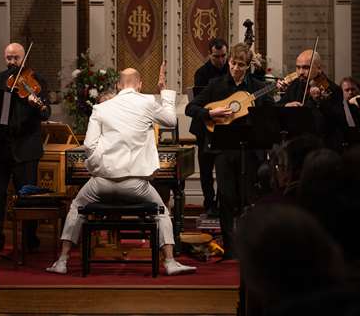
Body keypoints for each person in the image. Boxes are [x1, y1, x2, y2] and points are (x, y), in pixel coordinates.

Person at [46, 67, 196, 276]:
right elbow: (171, 121)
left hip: (101, 184)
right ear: (140, 84)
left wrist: (102, 168)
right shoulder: (147, 102)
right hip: (136, 185)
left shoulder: (101, 108)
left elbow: (89, 145)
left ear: (117, 85)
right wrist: (163, 91)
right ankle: (170, 262)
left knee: (77, 206)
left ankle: (62, 261)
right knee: (162, 211)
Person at [186, 43, 274, 258]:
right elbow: (191, 108)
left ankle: (250, 246)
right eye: (233, 63)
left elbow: (270, 113)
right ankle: (230, 249)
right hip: (223, 150)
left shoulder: (257, 86)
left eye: (241, 65)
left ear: (247, 66)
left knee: (248, 198)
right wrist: (210, 113)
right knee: (226, 198)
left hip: (249, 150)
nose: (235, 68)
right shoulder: (216, 85)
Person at [0, 42, 51, 253]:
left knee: (27, 196)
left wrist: (36, 104)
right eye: (8, 58)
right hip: (0, 147)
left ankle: (29, 240)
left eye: (16, 58)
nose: (12, 62)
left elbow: (46, 113)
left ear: (25, 58)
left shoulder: (37, 81)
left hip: (26, 147)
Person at [189, 37, 228, 216]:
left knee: (224, 169)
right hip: (205, 127)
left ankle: (221, 203)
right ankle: (209, 204)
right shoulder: (202, 73)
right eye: (216, 57)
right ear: (209, 55)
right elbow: (198, 103)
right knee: (206, 169)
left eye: (223, 56)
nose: (220, 61)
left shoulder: (231, 69)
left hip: (225, 126)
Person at [277, 50, 345, 150]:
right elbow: (277, 106)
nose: (300, 72)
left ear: (319, 68)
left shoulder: (332, 89)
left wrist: (320, 102)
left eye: (306, 67)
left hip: (321, 145)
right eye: (298, 67)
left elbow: (338, 120)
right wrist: (286, 106)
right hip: (296, 142)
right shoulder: (295, 85)